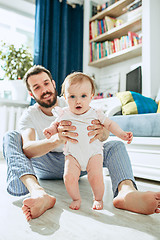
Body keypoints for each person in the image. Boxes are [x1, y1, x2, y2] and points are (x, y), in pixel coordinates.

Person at [3, 65, 160, 221]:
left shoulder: (76, 96)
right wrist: (56, 139)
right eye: (37, 87)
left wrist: (102, 132)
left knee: (115, 145)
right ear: (31, 94)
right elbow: (28, 149)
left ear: (53, 83)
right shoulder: (30, 115)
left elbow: (104, 133)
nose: (44, 90)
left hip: (84, 157)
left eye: (46, 83)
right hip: (48, 163)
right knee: (10, 136)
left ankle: (126, 192)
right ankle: (38, 193)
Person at [43, 72, 133, 210]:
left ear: (91, 97)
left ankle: (98, 199)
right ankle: (76, 198)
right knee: (68, 177)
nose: (78, 101)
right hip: (72, 155)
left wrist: (121, 134)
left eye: (83, 96)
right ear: (65, 98)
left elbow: (110, 124)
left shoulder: (96, 113)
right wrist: (50, 130)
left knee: (96, 177)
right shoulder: (64, 113)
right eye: (72, 96)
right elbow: (55, 125)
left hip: (93, 153)